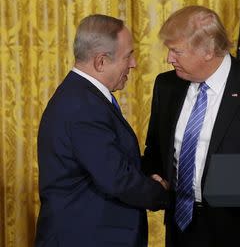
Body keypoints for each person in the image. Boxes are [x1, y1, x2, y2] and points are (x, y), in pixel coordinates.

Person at [142, 6, 240, 247]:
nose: (169, 59)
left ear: (208, 50)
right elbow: (155, 149)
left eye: (176, 51)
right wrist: (152, 176)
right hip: (180, 227)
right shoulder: (167, 85)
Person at [35, 14, 168, 247]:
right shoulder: (81, 106)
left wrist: (152, 171)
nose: (134, 64)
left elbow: (113, 160)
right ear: (100, 62)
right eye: (128, 56)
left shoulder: (83, 97)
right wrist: (162, 192)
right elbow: (116, 178)